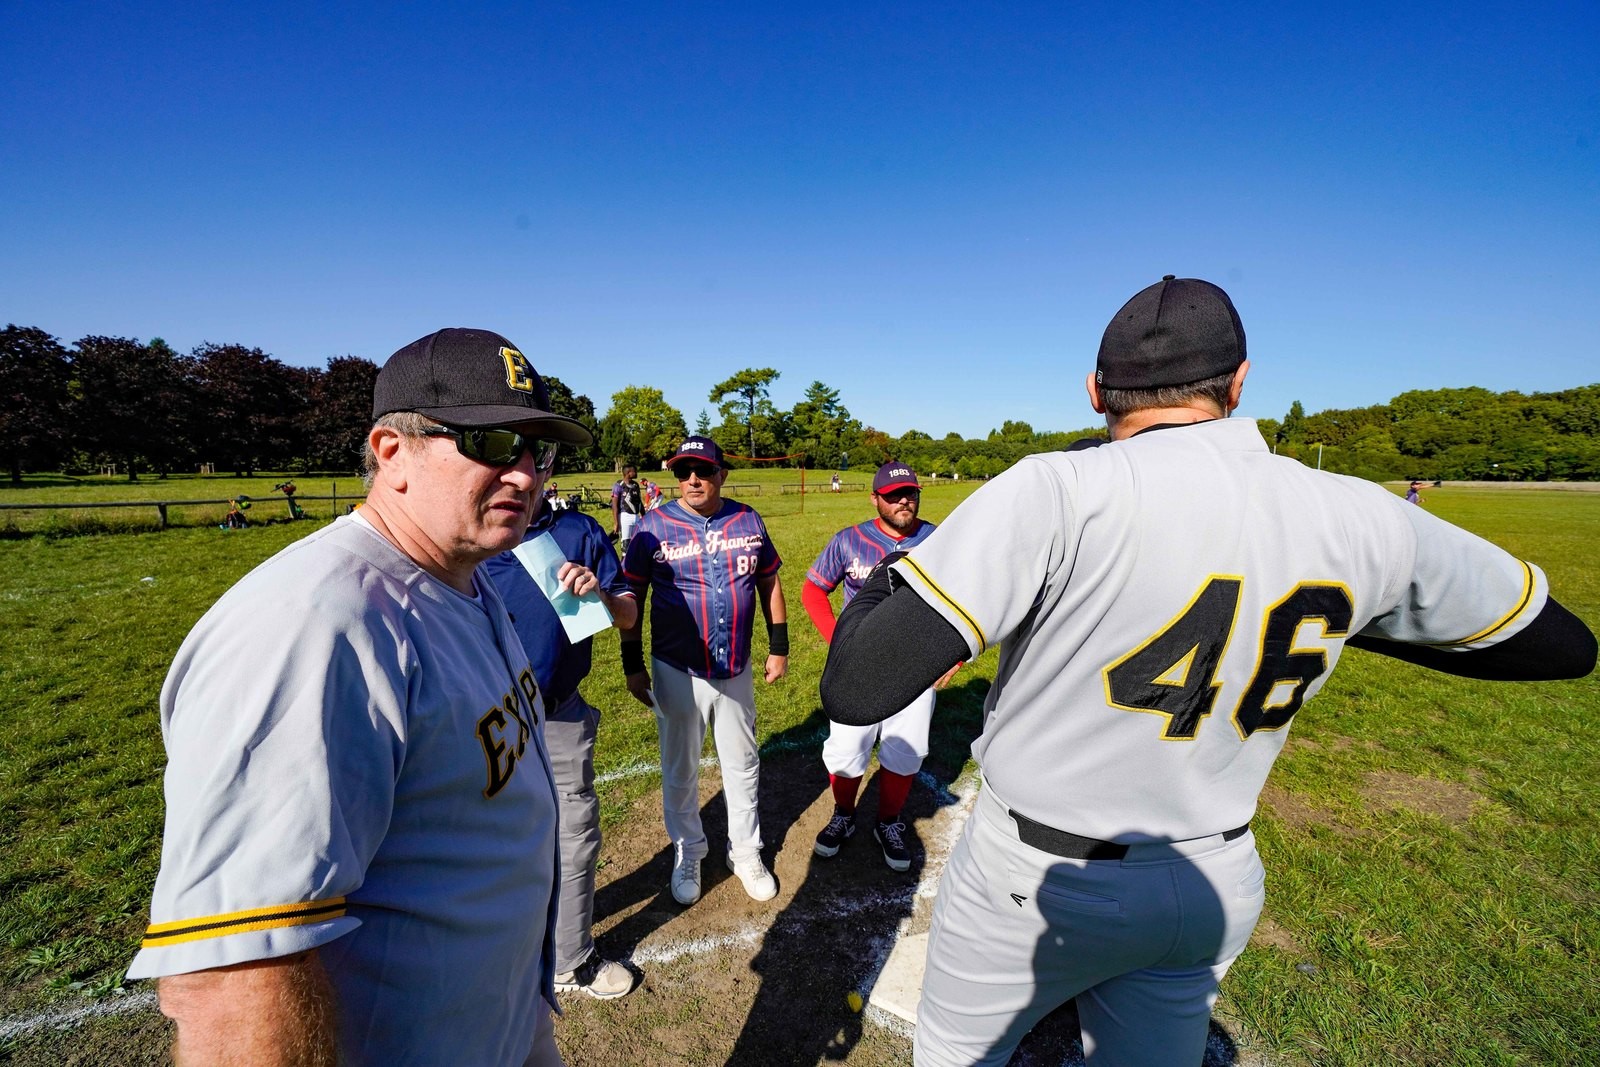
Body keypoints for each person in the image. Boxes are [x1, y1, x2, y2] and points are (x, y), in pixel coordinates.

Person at [821, 276, 1596, 1066]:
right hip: (1211, 873)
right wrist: (1357, 615)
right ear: (1239, 380)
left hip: (1037, 874)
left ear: (1096, 391)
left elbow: (858, 681)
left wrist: (893, 570)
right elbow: (1564, 646)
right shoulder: (1359, 511)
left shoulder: (1059, 487)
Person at [127, 328, 596, 1066]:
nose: (526, 472)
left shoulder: (465, 575)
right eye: (497, 440)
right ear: (390, 452)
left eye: (541, 450)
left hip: (503, 1022)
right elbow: (235, 975)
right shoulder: (314, 625)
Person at [485, 483, 641, 1000]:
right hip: (483, 722)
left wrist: (597, 593)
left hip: (560, 712)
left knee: (575, 838)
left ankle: (570, 959)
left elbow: (627, 614)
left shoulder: (578, 530)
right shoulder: (468, 531)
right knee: (485, 842)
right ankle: (493, 950)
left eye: (535, 458)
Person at [619, 435, 789, 905]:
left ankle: (746, 851)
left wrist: (779, 646)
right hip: (676, 667)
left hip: (735, 665)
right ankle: (688, 849)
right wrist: (632, 665)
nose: (692, 479)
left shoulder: (747, 518)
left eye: (703, 470)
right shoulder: (651, 527)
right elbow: (632, 599)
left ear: (721, 474)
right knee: (680, 768)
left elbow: (769, 580)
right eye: (682, 472)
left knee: (743, 763)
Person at [804, 462, 955, 871]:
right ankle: (844, 815)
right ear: (875, 499)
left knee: (906, 752)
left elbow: (965, 601)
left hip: (915, 663)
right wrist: (840, 643)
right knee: (847, 750)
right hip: (857, 666)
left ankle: (888, 822)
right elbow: (814, 590)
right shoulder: (849, 540)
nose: (903, 500)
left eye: (909, 492)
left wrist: (953, 654)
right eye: (892, 495)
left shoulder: (940, 540)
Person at [611, 464, 647, 555]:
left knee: (636, 544)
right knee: (626, 545)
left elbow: (639, 501)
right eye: (634, 471)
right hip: (625, 516)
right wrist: (616, 523)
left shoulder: (635, 485)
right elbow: (614, 505)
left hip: (636, 516)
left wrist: (644, 516)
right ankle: (624, 567)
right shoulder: (619, 485)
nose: (636, 472)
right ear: (628, 473)